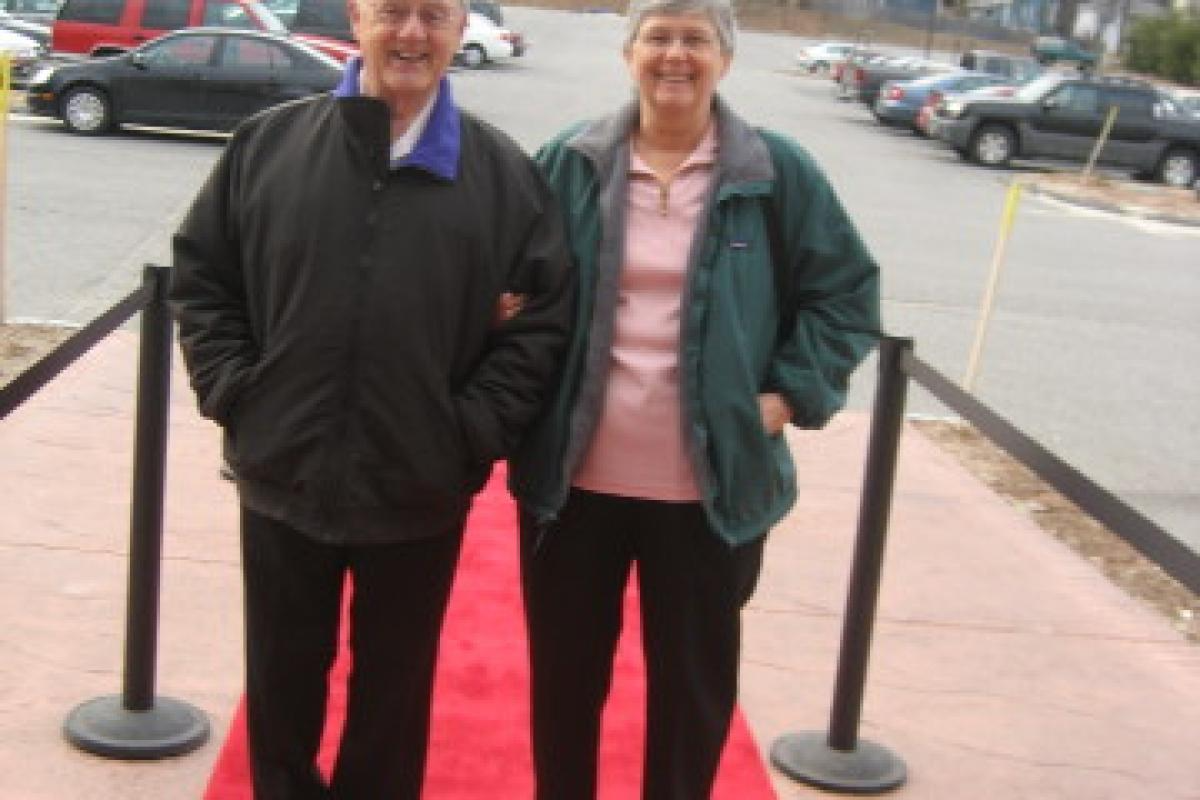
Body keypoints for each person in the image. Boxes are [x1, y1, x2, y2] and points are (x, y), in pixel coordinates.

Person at [168, 0, 574, 795]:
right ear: (357, 19)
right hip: (282, 473)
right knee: (281, 688)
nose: (412, 34)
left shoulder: (504, 177)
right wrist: (238, 394)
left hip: (419, 486)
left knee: (393, 701)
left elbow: (543, 325)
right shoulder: (270, 146)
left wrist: (466, 431)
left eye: (434, 15)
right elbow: (203, 280)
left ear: (462, 29)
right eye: (393, 11)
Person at [509, 0, 881, 797]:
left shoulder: (776, 172)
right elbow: (513, 278)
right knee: (565, 684)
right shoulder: (569, 160)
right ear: (628, 52)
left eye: (695, 39)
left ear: (725, 58)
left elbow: (845, 294)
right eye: (658, 37)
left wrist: (788, 396)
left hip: (712, 492)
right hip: (571, 487)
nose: (675, 55)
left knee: (693, 691)